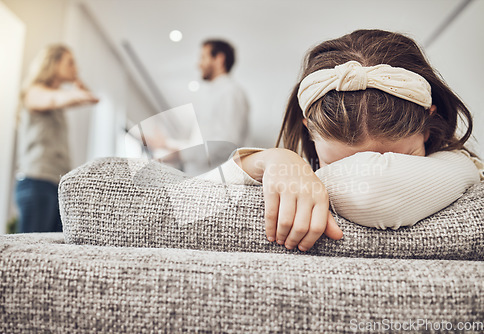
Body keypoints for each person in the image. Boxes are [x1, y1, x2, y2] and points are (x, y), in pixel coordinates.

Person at [199, 29, 484, 252]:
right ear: (308, 129)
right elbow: (185, 198)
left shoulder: (462, 169)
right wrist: (273, 160)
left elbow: (374, 189)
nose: (365, 166)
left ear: (428, 127)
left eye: (396, 160)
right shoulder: (291, 167)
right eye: (337, 163)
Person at [15, 44, 99, 233]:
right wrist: (76, 91)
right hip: (36, 182)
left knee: (52, 253)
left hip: (55, 184)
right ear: (54, 63)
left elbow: (92, 99)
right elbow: (54, 99)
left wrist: (76, 80)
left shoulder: (59, 100)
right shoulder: (34, 92)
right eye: (70, 63)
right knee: (30, 253)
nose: (75, 68)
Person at [148, 39, 250, 175]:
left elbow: (227, 144)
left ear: (219, 58)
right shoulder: (216, 94)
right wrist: (167, 144)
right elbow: (205, 144)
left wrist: (178, 155)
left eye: (203, 57)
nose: (198, 64)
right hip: (203, 179)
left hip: (214, 183)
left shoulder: (230, 92)